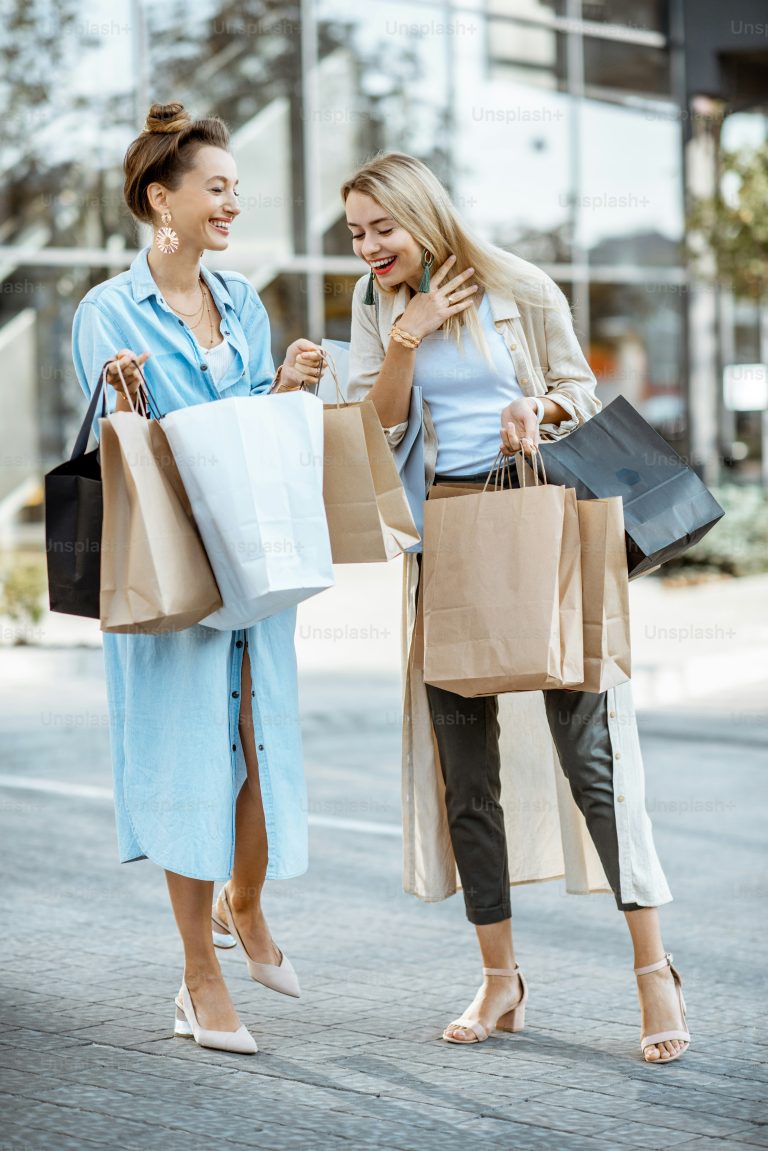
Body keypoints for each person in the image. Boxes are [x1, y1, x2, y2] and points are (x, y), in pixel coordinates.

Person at [343, 152, 690, 1063]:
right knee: (466, 774)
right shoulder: (376, 304)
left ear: (423, 215)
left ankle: (653, 970)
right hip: (447, 535)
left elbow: (582, 391)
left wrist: (537, 405)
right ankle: (501, 978)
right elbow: (376, 427)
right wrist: (408, 335)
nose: (368, 246)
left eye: (382, 227)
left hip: (542, 519)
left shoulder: (519, 286)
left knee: (592, 757)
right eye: (356, 232)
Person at [72, 102, 325, 1055]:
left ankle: (243, 903)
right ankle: (198, 976)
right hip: (173, 572)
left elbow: (249, 428)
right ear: (159, 201)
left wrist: (287, 387)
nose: (232, 203)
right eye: (215, 188)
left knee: (258, 750)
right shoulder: (106, 311)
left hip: (252, 561)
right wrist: (122, 395)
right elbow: (129, 450)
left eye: (234, 188)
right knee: (190, 766)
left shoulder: (244, 302)